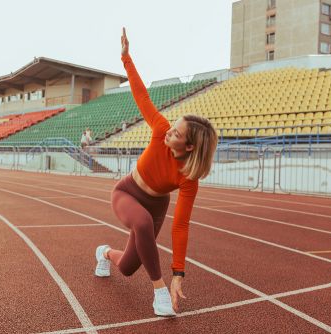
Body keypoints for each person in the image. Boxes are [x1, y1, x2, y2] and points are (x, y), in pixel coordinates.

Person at [94, 28, 218, 317]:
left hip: (156, 204)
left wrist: (179, 272)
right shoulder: (160, 129)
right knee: (142, 221)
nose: (169, 131)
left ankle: (103, 252)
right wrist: (126, 57)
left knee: (126, 267)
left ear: (188, 147)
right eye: (172, 126)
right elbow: (142, 97)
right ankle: (158, 292)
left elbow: (181, 225)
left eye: (176, 133)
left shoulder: (189, 176)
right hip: (127, 191)